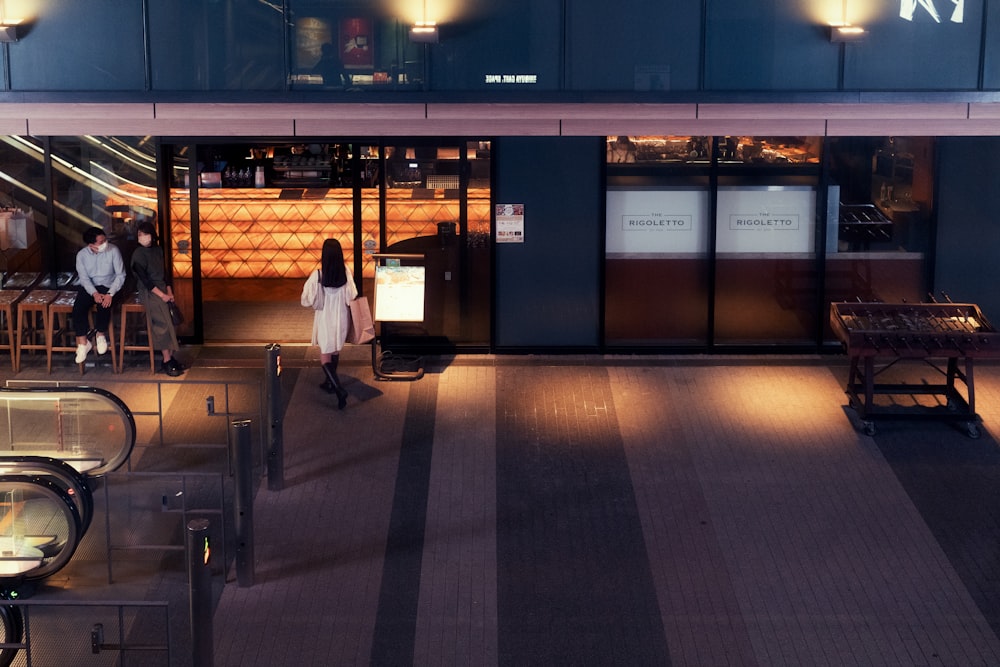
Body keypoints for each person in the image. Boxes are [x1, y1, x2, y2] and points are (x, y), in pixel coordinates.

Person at [305, 238, 357, 409]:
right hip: (341, 317)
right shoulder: (346, 272)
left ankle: (338, 389)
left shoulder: (318, 275)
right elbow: (352, 296)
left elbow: (306, 300)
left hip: (325, 317)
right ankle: (329, 382)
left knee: (325, 355)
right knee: (334, 350)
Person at [131, 221, 185, 377]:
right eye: (140, 235)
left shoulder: (158, 250)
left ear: (152, 235)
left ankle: (170, 357)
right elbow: (145, 280)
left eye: (145, 234)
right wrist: (162, 295)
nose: (143, 237)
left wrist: (169, 291)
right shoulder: (138, 254)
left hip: (162, 288)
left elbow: (165, 272)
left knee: (170, 322)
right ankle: (167, 359)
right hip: (150, 292)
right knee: (162, 324)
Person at [73, 226, 126, 364]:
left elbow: (120, 275)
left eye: (105, 240)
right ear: (91, 245)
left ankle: (100, 334)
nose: (105, 244)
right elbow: (84, 278)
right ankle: (83, 343)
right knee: (79, 306)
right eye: (101, 242)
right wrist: (94, 293)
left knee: (104, 304)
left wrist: (110, 293)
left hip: (109, 285)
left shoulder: (113, 250)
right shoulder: (82, 255)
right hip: (91, 286)